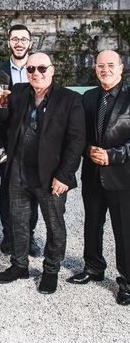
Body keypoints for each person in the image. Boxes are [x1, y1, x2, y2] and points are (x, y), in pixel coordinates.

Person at [0, 52, 86, 295]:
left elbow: (76, 141)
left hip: (51, 176)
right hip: (19, 171)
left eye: (42, 68)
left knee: (55, 225)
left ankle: (51, 270)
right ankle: (19, 265)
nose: (36, 73)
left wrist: (64, 175)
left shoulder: (69, 99)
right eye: (31, 69)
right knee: (18, 223)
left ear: (52, 70)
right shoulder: (20, 91)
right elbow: (1, 119)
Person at [68, 50, 130, 306]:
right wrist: (87, 151)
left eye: (110, 65)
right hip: (92, 173)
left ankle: (127, 282)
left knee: (124, 231)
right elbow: (78, 134)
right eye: (100, 65)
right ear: (95, 68)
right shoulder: (89, 97)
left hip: (122, 175)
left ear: (121, 67)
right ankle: (93, 267)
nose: (105, 69)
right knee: (92, 223)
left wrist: (113, 156)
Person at [0, 24, 40, 256]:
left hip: (34, 142)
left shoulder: (39, 68)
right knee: (6, 190)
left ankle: (29, 236)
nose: (19, 43)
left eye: (24, 39)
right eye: (15, 39)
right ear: (9, 43)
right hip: (8, 141)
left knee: (32, 190)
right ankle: (8, 235)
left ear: (30, 43)